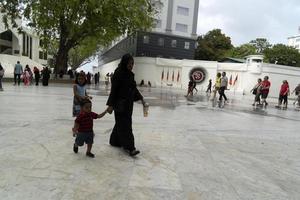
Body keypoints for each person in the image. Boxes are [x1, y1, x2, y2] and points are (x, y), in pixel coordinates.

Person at [106, 54, 146, 157]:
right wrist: (111, 104)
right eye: (129, 63)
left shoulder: (130, 75)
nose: (131, 65)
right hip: (120, 104)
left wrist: (141, 98)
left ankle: (114, 141)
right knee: (126, 125)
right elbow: (114, 90)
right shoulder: (118, 74)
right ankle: (130, 148)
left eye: (132, 63)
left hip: (128, 105)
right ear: (124, 62)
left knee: (121, 123)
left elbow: (134, 89)